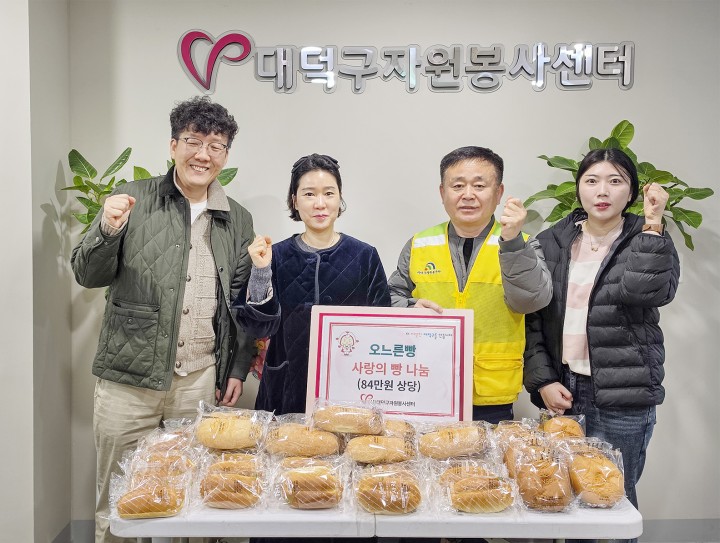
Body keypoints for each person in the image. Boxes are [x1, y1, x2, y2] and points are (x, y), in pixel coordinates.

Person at [71, 96, 279, 543]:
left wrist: (236, 369)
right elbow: (88, 275)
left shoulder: (237, 219)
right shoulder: (134, 197)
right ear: (173, 146)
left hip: (198, 382)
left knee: (193, 505)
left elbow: (240, 305)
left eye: (216, 146)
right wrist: (107, 229)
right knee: (119, 504)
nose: (203, 154)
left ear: (226, 155)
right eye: (193, 141)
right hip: (129, 381)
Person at [523, 148, 680, 542]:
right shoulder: (552, 240)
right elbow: (534, 320)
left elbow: (644, 292)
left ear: (632, 191)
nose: (602, 191)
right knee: (561, 499)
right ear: (578, 188)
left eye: (615, 181)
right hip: (563, 391)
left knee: (613, 503)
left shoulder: (649, 237)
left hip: (624, 396)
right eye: (591, 180)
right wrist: (543, 380)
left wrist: (653, 223)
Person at [388, 145, 552, 425]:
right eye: (458, 185)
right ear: (442, 193)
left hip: (492, 394)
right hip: (427, 387)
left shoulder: (522, 243)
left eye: (479, 185)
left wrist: (512, 243)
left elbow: (532, 301)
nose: (468, 195)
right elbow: (389, 297)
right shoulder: (419, 244)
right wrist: (411, 308)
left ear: (498, 193)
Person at [254, 153, 391, 418]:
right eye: (309, 194)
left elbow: (382, 328)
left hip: (350, 389)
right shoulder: (275, 255)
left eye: (329, 193)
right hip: (285, 387)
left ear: (340, 198)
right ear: (294, 201)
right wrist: (260, 272)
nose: (320, 204)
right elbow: (258, 327)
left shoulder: (364, 255)